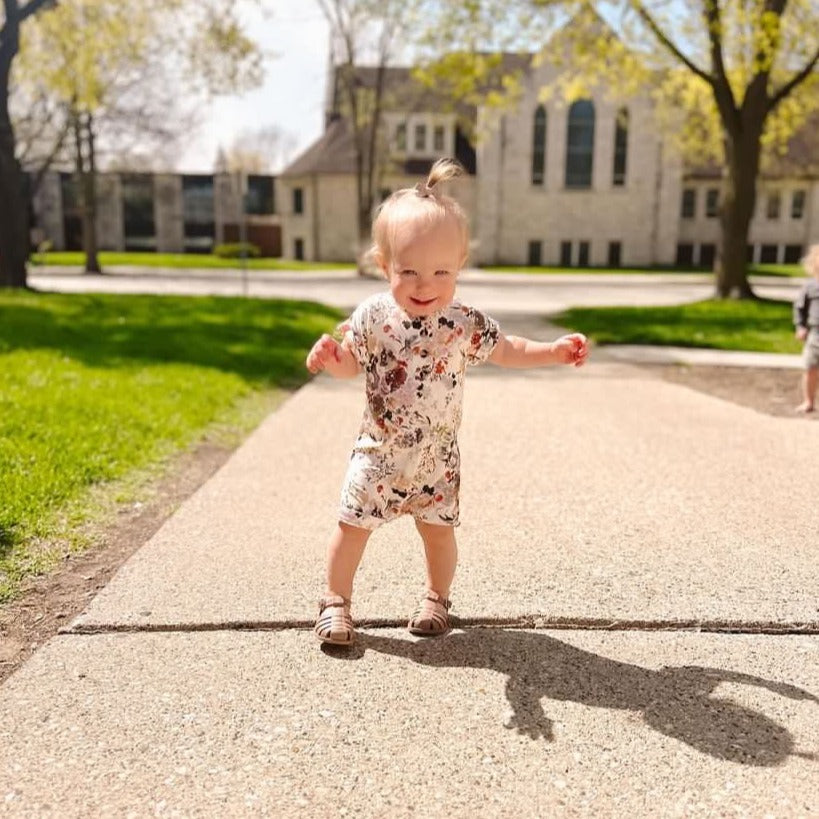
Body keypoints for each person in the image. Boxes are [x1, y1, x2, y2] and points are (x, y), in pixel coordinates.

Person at [305, 157, 589, 646]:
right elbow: (353, 363)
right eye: (409, 271)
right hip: (377, 455)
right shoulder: (372, 316)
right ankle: (335, 603)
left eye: (441, 271)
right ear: (383, 265)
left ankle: (436, 599)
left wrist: (553, 352)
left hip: (436, 461)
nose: (426, 285)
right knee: (351, 527)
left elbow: (508, 349)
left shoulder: (463, 322)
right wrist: (333, 359)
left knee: (438, 534)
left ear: (460, 266)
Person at [793, 243, 819, 413]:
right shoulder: (810, 286)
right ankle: (808, 401)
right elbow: (799, 308)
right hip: (815, 334)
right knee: (810, 368)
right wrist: (800, 326)